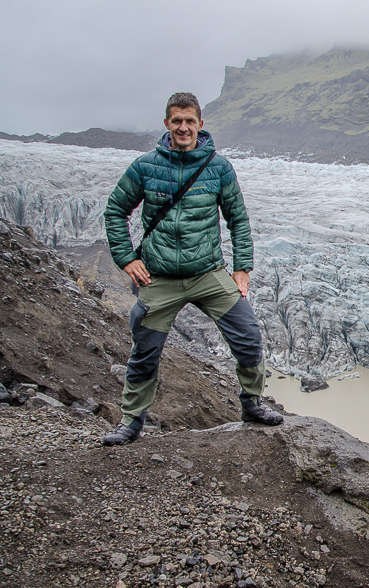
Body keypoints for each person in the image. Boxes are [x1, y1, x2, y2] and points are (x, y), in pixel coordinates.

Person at [102, 92, 282, 446]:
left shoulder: (218, 167)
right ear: (167, 124)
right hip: (160, 278)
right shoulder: (145, 167)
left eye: (190, 121)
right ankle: (131, 421)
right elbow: (114, 211)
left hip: (208, 274)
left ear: (201, 124)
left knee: (248, 336)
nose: (183, 127)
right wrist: (127, 259)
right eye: (176, 121)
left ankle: (252, 403)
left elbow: (238, 219)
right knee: (144, 353)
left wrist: (242, 267)